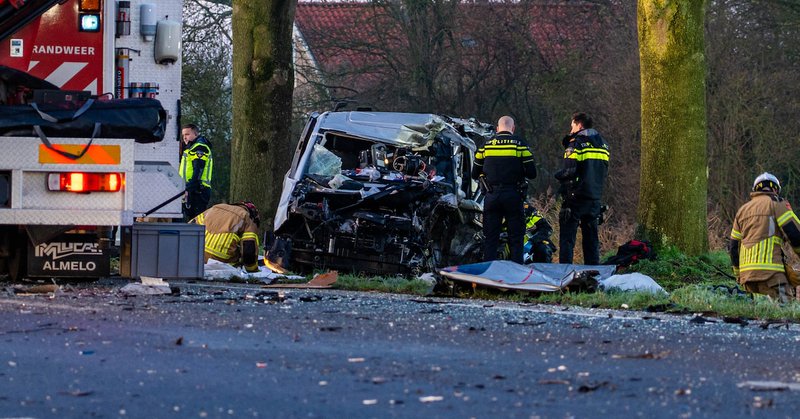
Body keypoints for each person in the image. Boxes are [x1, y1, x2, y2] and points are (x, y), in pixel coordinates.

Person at [472, 115, 537, 264]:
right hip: (513, 195)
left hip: (491, 196)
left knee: (490, 238)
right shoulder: (520, 145)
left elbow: (475, 173)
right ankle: (515, 276)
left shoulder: (486, 146)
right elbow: (532, 173)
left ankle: (488, 275)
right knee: (516, 237)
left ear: (497, 128)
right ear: (512, 129)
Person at [729, 173, 800, 302]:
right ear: (775, 190)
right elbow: (795, 235)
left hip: (747, 279)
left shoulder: (742, 210)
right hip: (772, 275)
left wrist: (738, 274)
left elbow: (733, 246)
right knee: (786, 311)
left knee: (755, 317)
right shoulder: (777, 203)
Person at [555, 112, 609, 265]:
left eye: (572, 125)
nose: (570, 129)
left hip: (575, 198)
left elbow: (569, 171)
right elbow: (604, 171)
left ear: (579, 124)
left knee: (567, 239)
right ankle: (593, 273)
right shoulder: (603, 145)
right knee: (591, 239)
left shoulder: (576, 144)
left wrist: (557, 176)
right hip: (594, 198)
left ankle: (564, 274)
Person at [190, 201, 261, 272]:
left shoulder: (216, 207)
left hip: (198, 255)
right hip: (222, 260)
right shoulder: (247, 217)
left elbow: (191, 226)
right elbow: (249, 248)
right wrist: (252, 270)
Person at [179, 123, 213, 222]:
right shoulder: (190, 147)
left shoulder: (199, 147)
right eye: (183, 135)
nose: (185, 137)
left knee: (197, 223)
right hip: (193, 189)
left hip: (198, 190)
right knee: (191, 222)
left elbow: (198, 171)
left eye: (187, 134)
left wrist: (188, 189)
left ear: (195, 134)